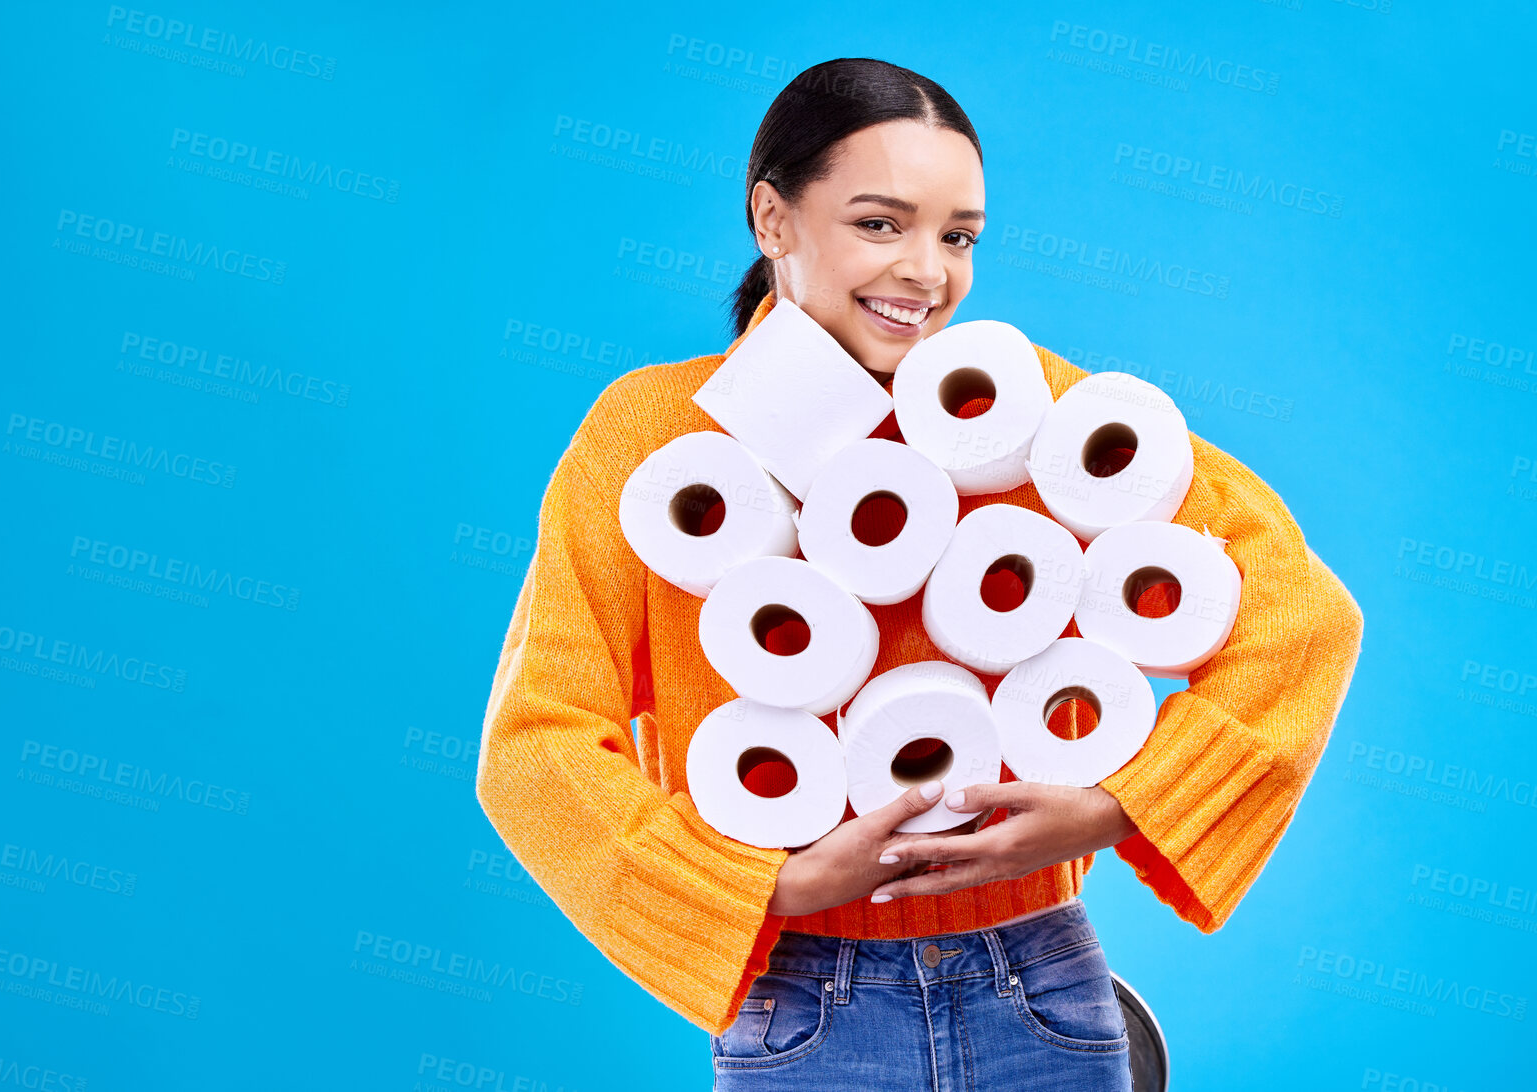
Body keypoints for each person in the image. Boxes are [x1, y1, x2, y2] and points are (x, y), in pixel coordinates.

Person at [476, 57, 1364, 1090]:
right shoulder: (656, 442)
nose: (924, 272)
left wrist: (1125, 803)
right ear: (771, 218)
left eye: (956, 237)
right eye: (878, 224)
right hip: (800, 1002)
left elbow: (1298, 610)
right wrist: (766, 887)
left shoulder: (1037, 417)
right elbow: (536, 739)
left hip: (1037, 979)